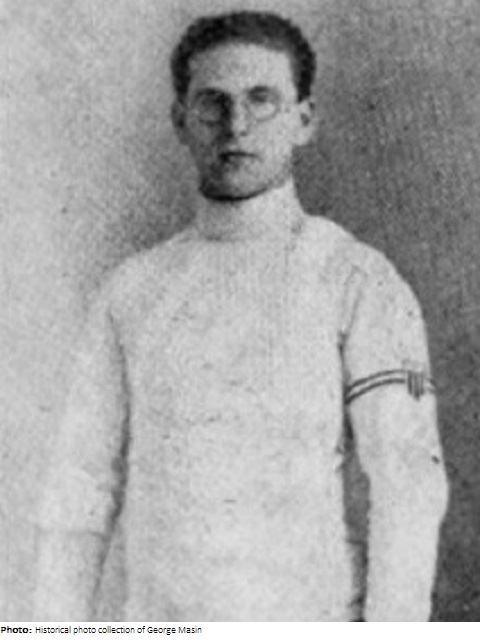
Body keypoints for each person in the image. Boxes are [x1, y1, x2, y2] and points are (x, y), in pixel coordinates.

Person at [34, 11, 448, 622]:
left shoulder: (357, 280)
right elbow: (77, 491)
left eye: (262, 99)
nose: (237, 125)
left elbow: (407, 484)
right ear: (180, 120)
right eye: (213, 103)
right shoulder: (131, 292)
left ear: (304, 119)